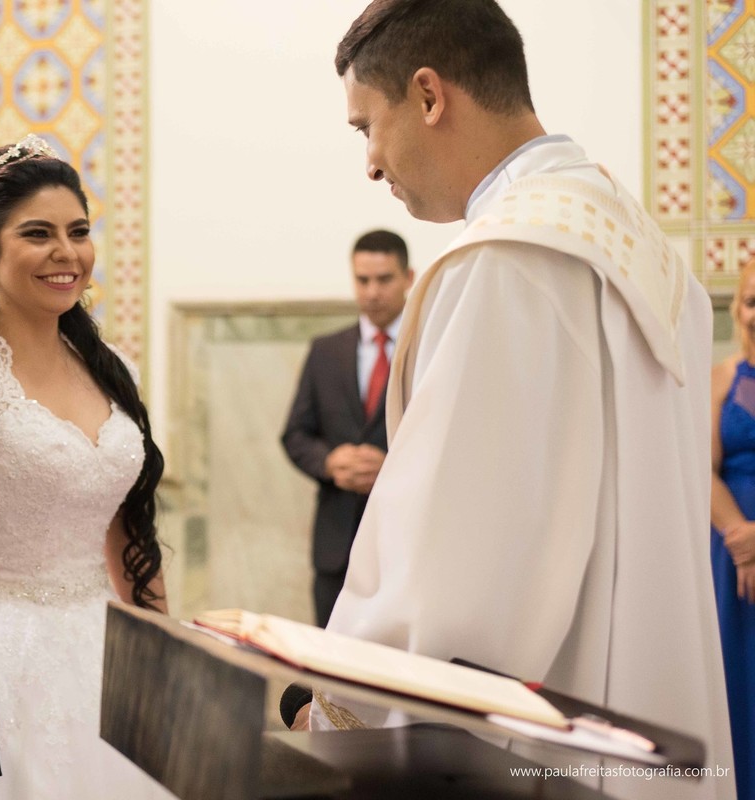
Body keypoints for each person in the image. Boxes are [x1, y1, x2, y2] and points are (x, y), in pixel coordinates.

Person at [301, 2, 734, 797]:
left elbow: (454, 572)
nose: (368, 162)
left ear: (429, 96)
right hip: (644, 723)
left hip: (538, 757)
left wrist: (337, 708)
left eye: (366, 126)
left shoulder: (506, 261)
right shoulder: (649, 255)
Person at [0, 135, 173, 799]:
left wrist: (170, 667)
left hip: (107, 654)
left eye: (78, 231)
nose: (66, 253)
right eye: (38, 234)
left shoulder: (111, 370)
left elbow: (131, 538)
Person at [281, 229, 413, 625]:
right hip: (335, 549)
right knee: (329, 674)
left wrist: (392, 467)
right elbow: (295, 434)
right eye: (363, 280)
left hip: (404, 544)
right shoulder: (326, 351)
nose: (372, 292)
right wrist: (329, 462)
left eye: (384, 279)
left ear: (408, 278)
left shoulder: (430, 345)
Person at [710, 258, 755, 800]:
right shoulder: (721, 378)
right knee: (738, 680)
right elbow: (702, 466)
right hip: (730, 549)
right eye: (751, 301)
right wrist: (742, 543)